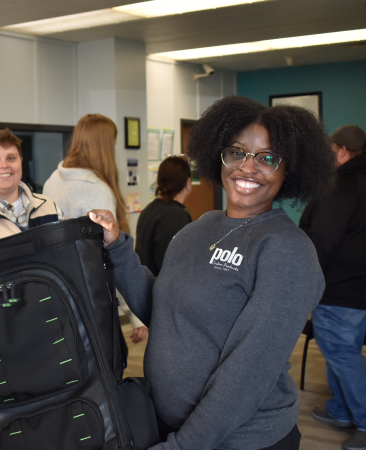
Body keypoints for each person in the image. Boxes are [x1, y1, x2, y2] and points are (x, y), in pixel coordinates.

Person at [89, 95, 335, 450]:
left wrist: (182, 446)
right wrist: (117, 246)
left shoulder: (287, 250)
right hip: (168, 424)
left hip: (239, 439)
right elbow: (161, 309)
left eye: (267, 158)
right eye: (237, 152)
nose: (247, 168)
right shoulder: (198, 229)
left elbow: (249, 372)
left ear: (289, 169)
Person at [300, 125, 366, 450]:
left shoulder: (341, 187)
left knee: (341, 352)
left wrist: (303, 280)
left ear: (340, 150)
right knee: (341, 350)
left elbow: (322, 241)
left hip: (342, 291)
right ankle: (341, 409)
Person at [43, 113, 147, 343]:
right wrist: (135, 315)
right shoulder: (97, 190)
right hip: (92, 305)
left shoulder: (52, 181)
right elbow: (107, 257)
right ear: (104, 146)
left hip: (57, 297)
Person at [135, 156, 193, 276]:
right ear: (188, 182)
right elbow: (172, 266)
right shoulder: (176, 216)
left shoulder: (149, 209)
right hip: (162, 290)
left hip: (145, 285)